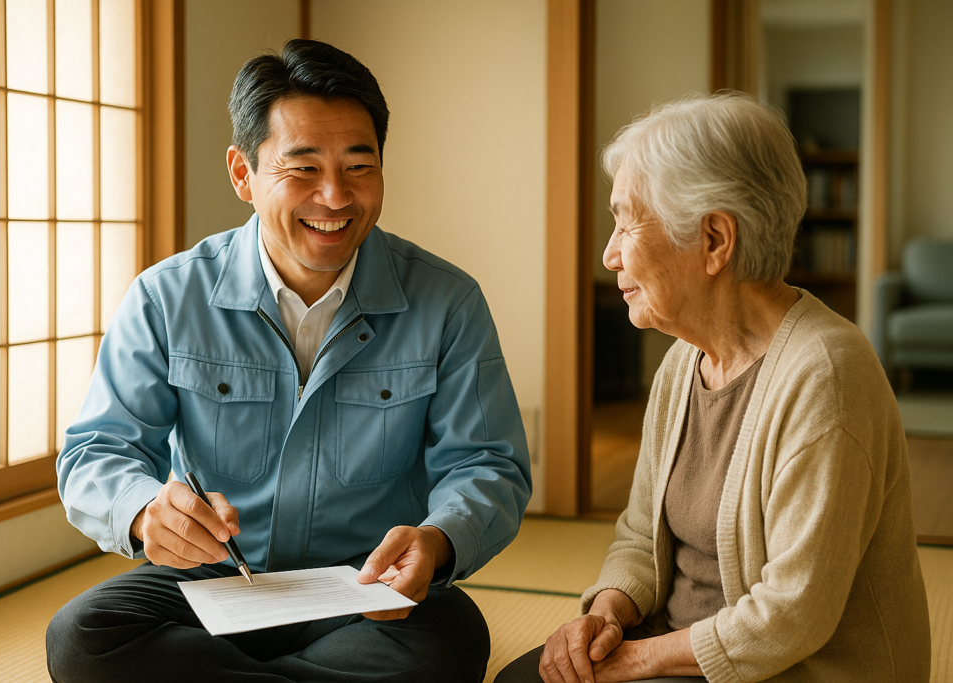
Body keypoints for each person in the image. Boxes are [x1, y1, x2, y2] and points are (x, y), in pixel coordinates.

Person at [46, 39, 531, 683]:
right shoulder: (168, 296)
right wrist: (141, 511)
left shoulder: (447, 301)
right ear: (242, 174)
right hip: (215, 582)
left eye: (359, 166)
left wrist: (438, 540)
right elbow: (96, 452)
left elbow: (487, 464)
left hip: (367, 590)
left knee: (451, 638)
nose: (334, 197)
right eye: (302, 168)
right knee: (82, 637)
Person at [497, 92, 930, 683]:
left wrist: (637, 660)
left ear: (715, 241)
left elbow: (791, 614)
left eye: (626, 221)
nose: (609, 253)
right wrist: (607, 615)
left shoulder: (826, 375)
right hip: (681, 652)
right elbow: (639, 533)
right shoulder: (683, 363)